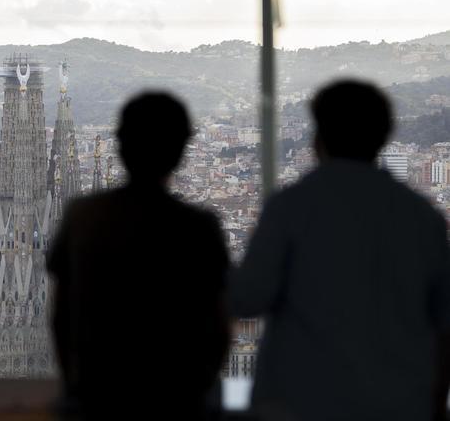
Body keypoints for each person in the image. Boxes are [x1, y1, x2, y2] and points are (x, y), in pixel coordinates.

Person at [231, 80, 450, 421]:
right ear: (383, 137)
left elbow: (248, 297)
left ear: (317, 138)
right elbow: (443, 327)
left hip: (300, 401)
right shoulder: (423, 219)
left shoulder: (291, 208)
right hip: (399, 404)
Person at [47, 92, 230, 420]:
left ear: (120, 146)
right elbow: (218, 325)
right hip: (177, 397)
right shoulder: (198, 227)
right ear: (180, 152)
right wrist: (198, 387)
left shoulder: (83, 217)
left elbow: (61, 316)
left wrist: (74, 385)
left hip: (100, 395)